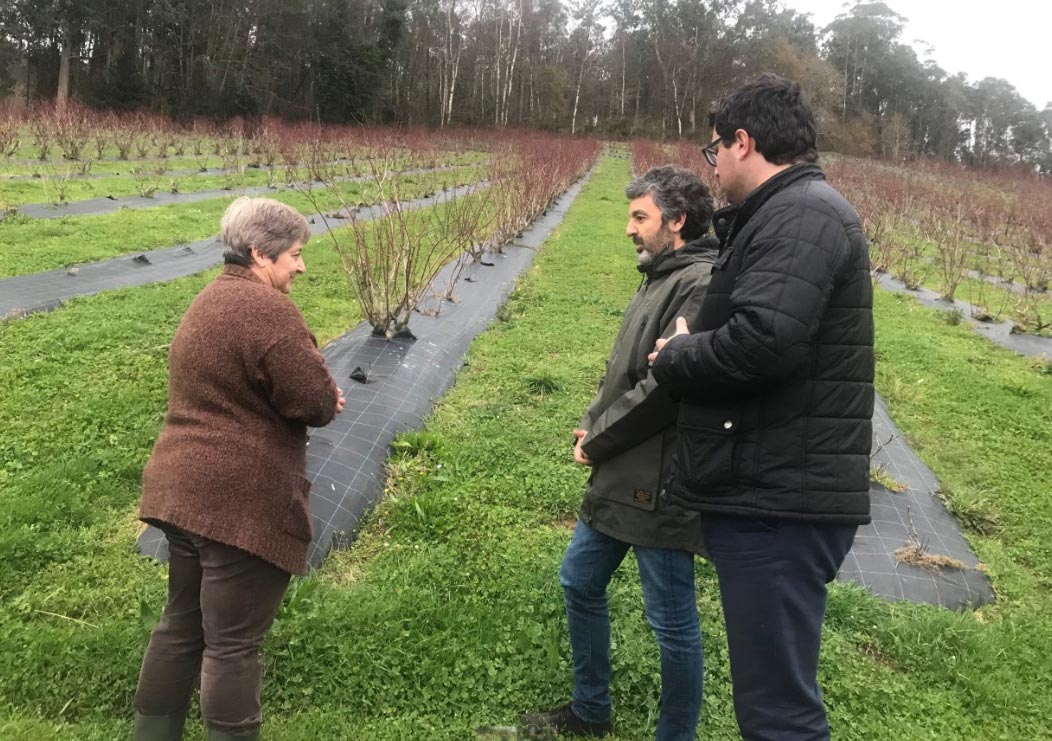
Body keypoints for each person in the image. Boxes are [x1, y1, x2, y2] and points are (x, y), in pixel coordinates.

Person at [649, 74, 874, 741]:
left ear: (744, 142)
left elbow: (763, 339)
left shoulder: (803, 213)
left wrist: (676, 355)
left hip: (781, 501)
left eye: (713, 150)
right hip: (771, 486)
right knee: (771, 700)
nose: (711, 167)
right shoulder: (785, 212)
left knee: (779, 714)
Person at [132, 197, 345, 741]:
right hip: (238, 504)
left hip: (180, 491)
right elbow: (314, 402)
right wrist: (328, 393)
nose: (302, 266)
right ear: (259, 252)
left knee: (182, 624)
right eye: (295, 255)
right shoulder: (268, 311)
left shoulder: (208, 299)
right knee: (232, 645)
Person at [523, 166, 718, 740]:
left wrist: (600, 438)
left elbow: (667, 389)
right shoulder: (660, 274)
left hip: (659, 480)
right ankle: (590, 711)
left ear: (676, 221)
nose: (628, 229)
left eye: (640, 217)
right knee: (579, 581)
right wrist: (591, 423)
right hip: (619, 467)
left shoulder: (700, 284)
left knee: (671, 622)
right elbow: (626, 369)